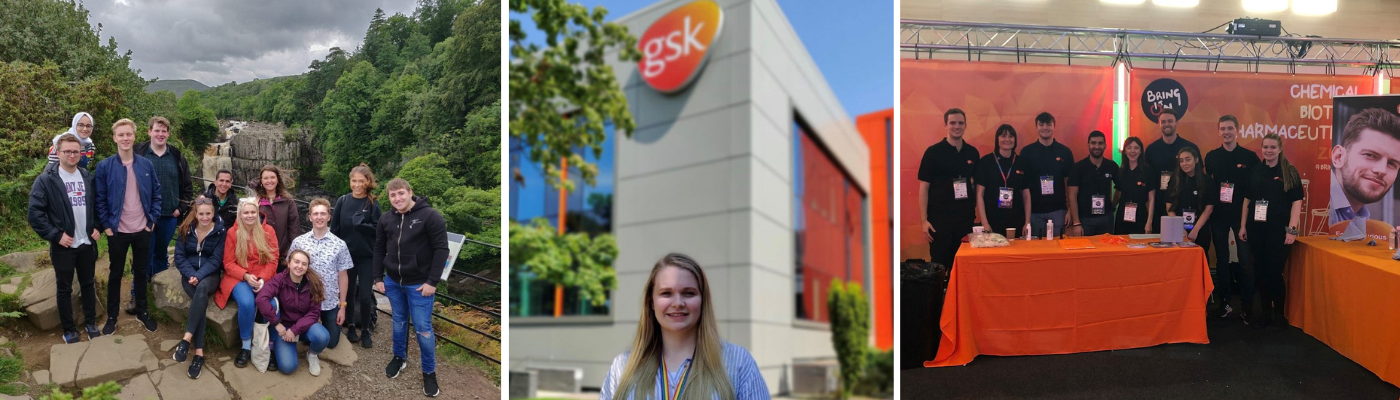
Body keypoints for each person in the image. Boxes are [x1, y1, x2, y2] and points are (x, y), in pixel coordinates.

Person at [600, 253, 769, 400]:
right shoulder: (622, 368)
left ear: (703, 300)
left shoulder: (738, 363)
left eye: (689, 293)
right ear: (651, 302)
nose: (678, 303)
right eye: (666, 293)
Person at [373, 178, 449, 397]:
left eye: (400, 193)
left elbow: (441, 250)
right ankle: (399, 357)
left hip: (420, 285)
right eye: (392, 195)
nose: (397, 198)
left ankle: (429, 372)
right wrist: (378, 276)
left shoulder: (430, 216)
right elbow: (379, 249)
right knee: (398, 322)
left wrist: (432, 282)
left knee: (423, 329)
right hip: (393, 281)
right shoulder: (386, 219)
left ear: (410, 192)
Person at [29, 133, 102, 343]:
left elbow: (97, 206)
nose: (72, 155)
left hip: (87, 243)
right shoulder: (46, 180)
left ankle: (90, 322)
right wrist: (55, 235)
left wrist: (98, 226)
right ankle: (69, 328)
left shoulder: (88, 177)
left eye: (75, 151)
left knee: (88, 284)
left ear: (81, 154)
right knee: (64, 288)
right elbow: (35, 213)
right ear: (58, 153)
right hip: (64, 246)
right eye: (67, 151)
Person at [93, 118, 161, 335]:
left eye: (128, 134)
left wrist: (152, 221)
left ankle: (142, 312)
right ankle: (112, 317)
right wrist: (107, 226)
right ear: (115, 138)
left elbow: (157, 194)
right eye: (121, 135)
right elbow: (100, 199)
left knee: (141, 272)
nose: (125, 138)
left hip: (143, 229)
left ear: (134, 136)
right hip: (117, 231)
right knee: (115, 274)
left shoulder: (146, 165)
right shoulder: (105, 166)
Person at [1239, 133, 1304, 331]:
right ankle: (1266, 313)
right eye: (1265, 147)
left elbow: (1296, 203)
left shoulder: (1289, 171)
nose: (1268, 151)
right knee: (1260, 273)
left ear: (1280, 149)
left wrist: (1292, 230)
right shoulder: (1255, 171)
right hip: (1256, 230)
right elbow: (1247, 201)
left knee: (1274, 274)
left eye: (1272, 147)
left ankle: (1280, 315)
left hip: (1279, 231)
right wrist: (1242, 226)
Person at [1203, 115, 1259, 320]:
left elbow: (1255, 186)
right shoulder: (1211, 157)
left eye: (1230, 128)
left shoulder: (1249, 157)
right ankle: (1225, 303)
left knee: (1245, 261)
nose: (1226, 132)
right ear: (1218, 131)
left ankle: (1247, 306)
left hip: (1241, 217)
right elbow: (1208, 186)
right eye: (1223, 128)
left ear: (1237, 130)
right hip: (1218, 216)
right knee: (1222, 260)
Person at [216, 200, 280, 368]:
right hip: (239, 277)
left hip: (262, 277)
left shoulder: (268, 231)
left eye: (253, 212)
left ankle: (269, 346)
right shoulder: (232, 232)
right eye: (246, 213)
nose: (250, 216)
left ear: (258, 212)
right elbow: (228, 263)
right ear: (240, 214)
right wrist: (245, 275)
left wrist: (263, 279)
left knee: (271, 304)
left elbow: (273, 261)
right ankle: (246, 345)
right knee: (247, 302)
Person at [171, 197, 225, 379]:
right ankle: (199, 353)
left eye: (208, 213)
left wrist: (199, 275)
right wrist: (190, 274)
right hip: (188, 274)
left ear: (213, 213)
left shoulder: (220, 232)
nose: (204, 217)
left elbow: (217, 259)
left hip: (210, 276)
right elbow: (179, 256)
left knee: (201, 289)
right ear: (196, 213)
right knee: (199, 302)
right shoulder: (186, 229)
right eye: (201, 213)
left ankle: (186, 339)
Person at [288, 198, 353, 350]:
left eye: (323, 213)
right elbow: (289, 269)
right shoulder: (299, 242)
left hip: (329, 300)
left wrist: (342, 306)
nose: (319, 217)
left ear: (329, 217)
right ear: (310, 217)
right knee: (306, 336)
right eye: (315, 214)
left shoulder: (339, 244)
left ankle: (318, 330)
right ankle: (311, 331)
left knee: (331, 343)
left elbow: (343, 276)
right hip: (304, 300)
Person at [918, 108, 979, 267]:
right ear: (946, 125)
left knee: (964, 264)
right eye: (952, 123)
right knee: (940, 265)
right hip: (939, 221)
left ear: (965, 125)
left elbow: (975, 187)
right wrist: (924, 221)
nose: (956, 126)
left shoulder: (972, 153)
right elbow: (923, 188)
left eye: (960, 123)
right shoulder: (933, 153)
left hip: (965, 220)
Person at [331, 163, 382, 347]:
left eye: (362, 181)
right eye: (354, 181)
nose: (358, 185)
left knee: (365, 295)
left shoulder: (372, 204)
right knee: (349, 292)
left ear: (368, 182)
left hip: (367, 257)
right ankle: (351, 325)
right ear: (350, 181)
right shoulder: (343, 201)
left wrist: (362, 225)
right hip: (346, 256)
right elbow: (334, 230)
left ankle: (366, 329)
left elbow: (379, 231)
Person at [257, 249, 330, 376]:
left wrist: (295, 330)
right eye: (296, 262)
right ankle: (285, 346)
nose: (299, 266)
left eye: (304, 264)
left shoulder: (313, 284)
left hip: (305, 326)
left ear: (307, 267)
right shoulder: (279, 279)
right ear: (289, 263)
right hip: (284, 329)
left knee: (323, 337)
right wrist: (276, 323)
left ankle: (312, 355)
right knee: (288, 367)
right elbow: (261, 299)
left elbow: (314, 312)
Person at [1328, 108, 1400, 227]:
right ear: (1338, 157)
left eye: (1392, 164)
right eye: (1370, 155)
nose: (1382, 170)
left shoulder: (1362, 219)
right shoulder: (1311, 207)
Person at [1020, 112, 1075, 238]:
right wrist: (1026, 217)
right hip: (1034, 213)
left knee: (1057, 250)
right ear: (1036, 127)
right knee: (1036, 250)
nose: (1045, 127)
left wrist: (1070, 211)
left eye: (1048, 124)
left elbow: (1071, 184)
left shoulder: (1064, 152)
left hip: (1058, 211)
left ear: (1054, 127)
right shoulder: (1027, 152)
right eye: (1041, 124)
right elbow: (1023, 187)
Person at [1145, 111, 1199, 231]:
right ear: (1159, 124)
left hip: (1183, 204)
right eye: (1163, 121)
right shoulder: (1151, 150)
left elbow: (1199, 177)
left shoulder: (1190, 147)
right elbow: (1148, 180)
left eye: (1170, 121)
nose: (1166, 124)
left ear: (1177, 123)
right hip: (1158, 204)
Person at [975, 124, 1031, 236]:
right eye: (1003, 136)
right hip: (992, 221)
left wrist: (1027, 222)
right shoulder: (986, 162)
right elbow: (979, 194)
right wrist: (985, 223)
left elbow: (1026, 195)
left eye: (1011, 136)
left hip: (1016, 221)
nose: (1007, 139)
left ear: (1015, 140)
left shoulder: (1021, 162)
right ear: (997, 139)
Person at [1067, 131, 1119, 236]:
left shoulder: (1112, 166)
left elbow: (1119, 188)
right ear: (1088, 145)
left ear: (1105, 145)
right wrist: (1076, 223)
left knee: (1106, 251)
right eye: (1093, 143)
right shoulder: (1078, 167)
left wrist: (1112, 206)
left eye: (1100, 143)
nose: (1097, 146)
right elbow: (1072, 196)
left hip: (1106, 219)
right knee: (1086, 251)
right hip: (1085, 220)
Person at [1165, 147, 1217, 250]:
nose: (1184, 163)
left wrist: (1195, 230)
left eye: (1188, 159)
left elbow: (1209, 208)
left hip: (1200, 230)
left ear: (1196, 160)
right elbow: (1169, 206)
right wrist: (1179, 228)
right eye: (1181, 161)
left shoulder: (1207, 181)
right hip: (1178, 231)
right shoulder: (1175, 180)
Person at [256, 165, 300, 272]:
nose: (269, 181)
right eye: (265, 178)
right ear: (261, 181)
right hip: (261, 254)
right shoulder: (256, 202)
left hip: (282, 254)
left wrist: (292, 253)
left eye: (272, 177)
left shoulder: (288, 201)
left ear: (277, 180)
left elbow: (294, 228)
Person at [1113, 137, 1156, 235]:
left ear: (1141, 151)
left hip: (1141, 216)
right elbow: (1118, 193)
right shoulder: (1121, 171)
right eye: (1129, 148)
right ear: (1125, 151)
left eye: (1136, 148)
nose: (1133, 151)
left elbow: (1152, 199)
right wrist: (1111, 208)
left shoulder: (1148, 171)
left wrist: (1149, 222)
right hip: (1122, 216)